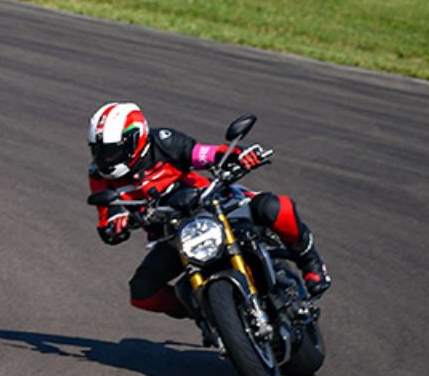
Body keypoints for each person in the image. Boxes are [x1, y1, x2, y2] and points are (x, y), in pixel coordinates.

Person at [86, 103, 331, 319]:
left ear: (135, 140)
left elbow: (202, 154)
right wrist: (115, 226)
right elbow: (107, 217)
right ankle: (201, 311)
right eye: (99, 150)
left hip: (212, 204)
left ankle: (311, 264)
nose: (106, 158)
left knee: (275, 207)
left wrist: (238, 156)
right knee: (141, 292)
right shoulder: (99, 174)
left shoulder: (162, 140)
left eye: (112, 150)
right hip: (173, 235)